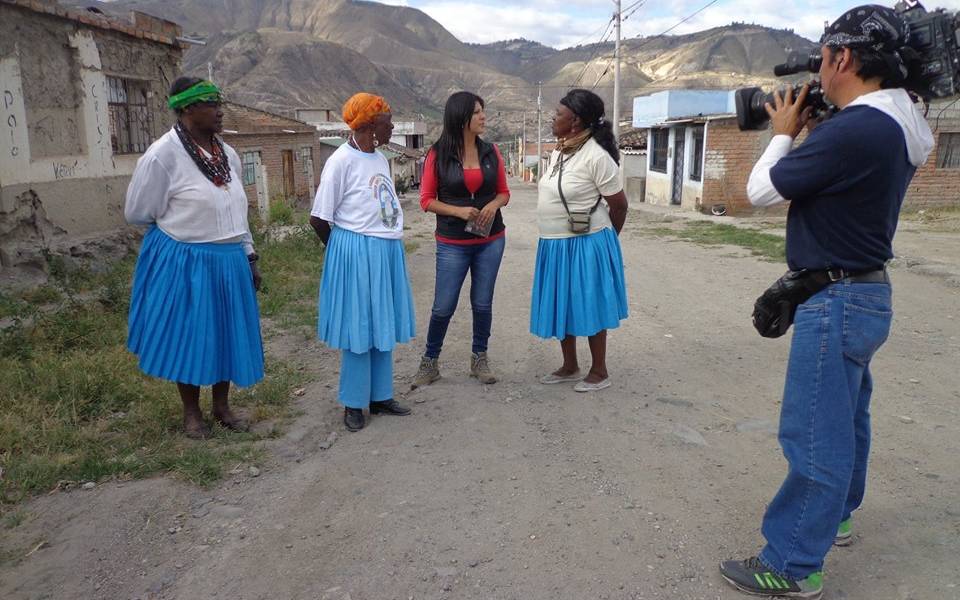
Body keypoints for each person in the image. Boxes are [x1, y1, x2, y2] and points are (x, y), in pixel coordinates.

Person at [719, 6, 934, 598]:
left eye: (821, 57)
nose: (816, 69)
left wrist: (784, 132)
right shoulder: (899, 120)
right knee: (847, 420)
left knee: (813, 430)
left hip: (835, 297)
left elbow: (760, 191)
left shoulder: (858, 128)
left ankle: (791, 564)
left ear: (843, 59)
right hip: (864, 292)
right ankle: (836, 517)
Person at [125, 77, 264, 439]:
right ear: (187, 109)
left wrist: (249, 254)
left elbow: (238, 211)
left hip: (230, 258)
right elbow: (139, 211)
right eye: (210, 104)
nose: (219, 111)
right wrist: (183, 235)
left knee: (226, 332)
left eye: (220, 103)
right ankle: (192, 414)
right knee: (191, 334)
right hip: (187, 260)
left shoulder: (227, 154)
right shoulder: (162, 155)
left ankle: (222, 407)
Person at [309, 92, 415, 432]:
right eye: (388, 122)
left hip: (384, 251)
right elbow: (319, 218)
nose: (393, 126)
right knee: (359, 327)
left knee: (381, 322)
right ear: (370, 126)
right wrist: (342, 252)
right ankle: (353, 403)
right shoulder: (340, 161)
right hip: (355, 252)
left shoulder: (380, 157)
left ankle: (380, 396)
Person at [530, 89, 628, 392]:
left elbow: (620, 205)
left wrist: (605, 243)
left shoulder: (596, 157)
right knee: (564, 302)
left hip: (587, 243)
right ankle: (570, 366)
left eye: (558, 114)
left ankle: (599, 371)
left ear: (575, 122)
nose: (552, 118)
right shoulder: (561, 151)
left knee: (590, 302)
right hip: (554, 243)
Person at [412, 91, 510, 387]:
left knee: (482, 303)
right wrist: (459, 211)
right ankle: (430, 363)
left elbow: (504, 192)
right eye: (478, 112)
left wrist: (492, 205)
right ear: (461, 117)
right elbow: (426, 200)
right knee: (444, 304)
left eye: (483, 111)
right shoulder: (436, 154)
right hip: (453, 243)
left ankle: (479, 358)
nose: (483, 117)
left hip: (491, 240)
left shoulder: (491, 151)